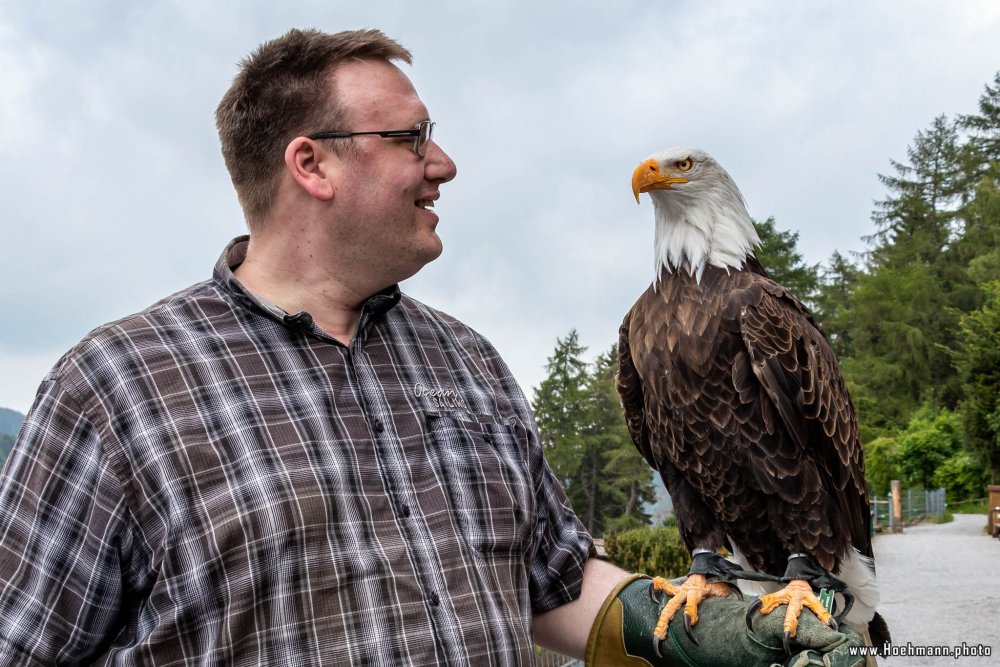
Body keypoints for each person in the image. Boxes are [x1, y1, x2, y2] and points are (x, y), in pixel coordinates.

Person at [0, 28, 864, 666]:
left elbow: (556, 582)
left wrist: (702, 634)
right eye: (410, 138)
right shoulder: (115, 388)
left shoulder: (467, 365)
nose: (443, 163)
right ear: (313, 165)